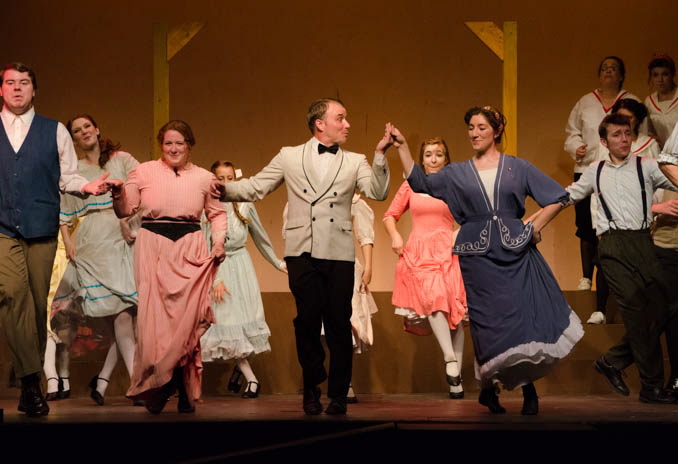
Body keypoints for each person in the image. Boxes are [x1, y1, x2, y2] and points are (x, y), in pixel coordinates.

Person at [389, 107, 583, 415]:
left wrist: (532, 228)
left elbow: (558, 197)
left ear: (496, 130)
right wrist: (401, 147)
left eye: (480, 127)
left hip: (514, 252)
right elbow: (421, 183)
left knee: (519, 319)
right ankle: (489, 388)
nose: (474, 133)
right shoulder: (458, 172)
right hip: (476, 256)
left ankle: (528, 390)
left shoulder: (517, 167)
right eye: (470, 127)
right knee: (485, 322)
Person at [217, 98, 390, 415]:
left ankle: (338, 394)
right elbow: (257, 187)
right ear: (320, 123)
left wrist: (380, 156)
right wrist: (222, 190)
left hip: (338, 253)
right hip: (302, 251)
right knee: (306, 323)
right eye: (342, 118)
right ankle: (311, 387)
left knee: (339, 324)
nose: (348, 124)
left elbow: (377, 192)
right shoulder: (289, 156)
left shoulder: (356, 161)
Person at [0, 62, 112, 417]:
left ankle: (26, 377)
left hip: (41, 228)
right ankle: (33, 379)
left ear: (34, 90)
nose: (17, 88)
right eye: (10, 82)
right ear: (1, 89)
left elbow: (68, 177)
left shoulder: (54, 131)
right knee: (10, 293)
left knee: (34, 306)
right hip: (2, 228)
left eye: (24, 83)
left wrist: (88, 186)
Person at [110, 120, 227, 414]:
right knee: (154, 325)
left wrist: (219, 242)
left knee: (187, 323)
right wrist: (116, 194)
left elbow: (217, 213)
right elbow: (126, 209)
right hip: (153, 246)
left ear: (189, 145)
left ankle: (184, 388)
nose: (174, 149)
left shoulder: (203, 177)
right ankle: (159, 385)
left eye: (180, 143)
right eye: (168, 143)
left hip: (190, 246)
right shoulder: (144, 171)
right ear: (161, 145)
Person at [568, 113, 678, 404]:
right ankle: (651, 385)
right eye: (616, 135)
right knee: (637, 315)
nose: (624, 139)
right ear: (604, 141)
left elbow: (674, 178)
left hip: (643, 241)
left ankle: (613, 361)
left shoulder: (647, 165)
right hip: (613, 246)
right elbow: (567, 196)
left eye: (627, 133)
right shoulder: (595, 170)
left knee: (665, 307)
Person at [42, 114, 140, 406]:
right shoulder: (74, 171)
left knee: (125, 317)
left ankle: (123, 382)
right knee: (116, 320)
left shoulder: (122, 159)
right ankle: (127, 382)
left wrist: (130, 219)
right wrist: (69, 242)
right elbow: (64, 211)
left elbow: (143, 187)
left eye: (87, 126)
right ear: (73, 139)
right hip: (91, 242)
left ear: (97, 129)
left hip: (120, 239)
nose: (83, 131)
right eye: (76, 130)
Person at [383, 137, 467, 399]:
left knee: (456, 315)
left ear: (446, 159)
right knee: (434, 301)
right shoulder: (411, 184)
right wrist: (395, 235)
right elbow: (389, 215)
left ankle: (457, 381)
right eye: (428, 154)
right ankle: (450, 360)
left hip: (449, 250)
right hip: (420, 252)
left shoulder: (455, 185)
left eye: (438, 154)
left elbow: (472, 217)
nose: (433, 159)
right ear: (421, 160)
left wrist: (459, 232)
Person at [201, 160, 286, 399]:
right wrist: (214, 279)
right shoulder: (208, 207)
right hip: (220, 268)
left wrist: (278, 263)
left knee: (241, 323)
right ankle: (250, 378)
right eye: (222, 178)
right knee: (225, 323)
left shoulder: (245, 204)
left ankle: (242, 372)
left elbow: (260, 237)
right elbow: (205, 244)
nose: (226, 183)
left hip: (242, 267)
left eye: (230, 178)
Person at [565, 56, 640, 291]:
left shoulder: (631, 100)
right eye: (604, 68)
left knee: (616, 224)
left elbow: (641, 133)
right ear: (599, 74)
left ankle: (618, 276)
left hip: (621, 171)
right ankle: (586, 276)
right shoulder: (585, 102)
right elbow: (571, 132)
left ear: (621, 75)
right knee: (586, 225)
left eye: (614, 68)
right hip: (587, 169)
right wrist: (575, 147)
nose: (609, 72)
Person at [586, 99, 660, 324]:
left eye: (628, 120)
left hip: (640, 221)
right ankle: (600, 308)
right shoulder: (604, 150)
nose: (623, 137)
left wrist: (654, 211)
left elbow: (655, 181)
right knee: (606, 261)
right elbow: (595, 184)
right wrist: (597, 223)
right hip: (611, 221)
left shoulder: (647, 147)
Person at [645, 54, 678, 149]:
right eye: (655, 75)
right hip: (664, 155)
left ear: (672, 75)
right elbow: (649, 131)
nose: (660, 80)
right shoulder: (649, 101)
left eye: (665, 74)